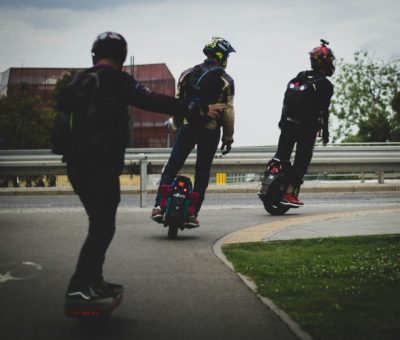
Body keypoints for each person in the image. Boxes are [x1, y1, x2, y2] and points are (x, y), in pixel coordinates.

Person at [58, 32, 224, 304]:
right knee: (102, 227)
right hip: (101, 165)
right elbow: (155, 101)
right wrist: (197, 109)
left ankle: (93, 281)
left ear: (93, 55)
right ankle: (80, 285)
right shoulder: (118, 80)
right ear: (122, 57)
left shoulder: (78, 80)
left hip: (75, 165)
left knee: (99, 225)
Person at [151, 36, 236, 227]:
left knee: (172, 167)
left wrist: (176, 126)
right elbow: (228, 112)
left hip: (188, 127)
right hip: (210, 131)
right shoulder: (226, 80)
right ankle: (191, 213)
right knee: (202, 172)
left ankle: (158, 206)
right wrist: (228, 137)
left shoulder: (187, 74)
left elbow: (179, 103)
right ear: (221, 56)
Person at [275, 39, 335, 207]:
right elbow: (324, 111)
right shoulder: (325, 84)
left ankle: (270, 182)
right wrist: (325, 133)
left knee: (281, 157)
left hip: (287, 124)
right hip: (306, 128)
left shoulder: (300, 76)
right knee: (302, 160)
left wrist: (282, 120)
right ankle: (288, 194)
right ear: (325, 63)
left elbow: (286, 100)